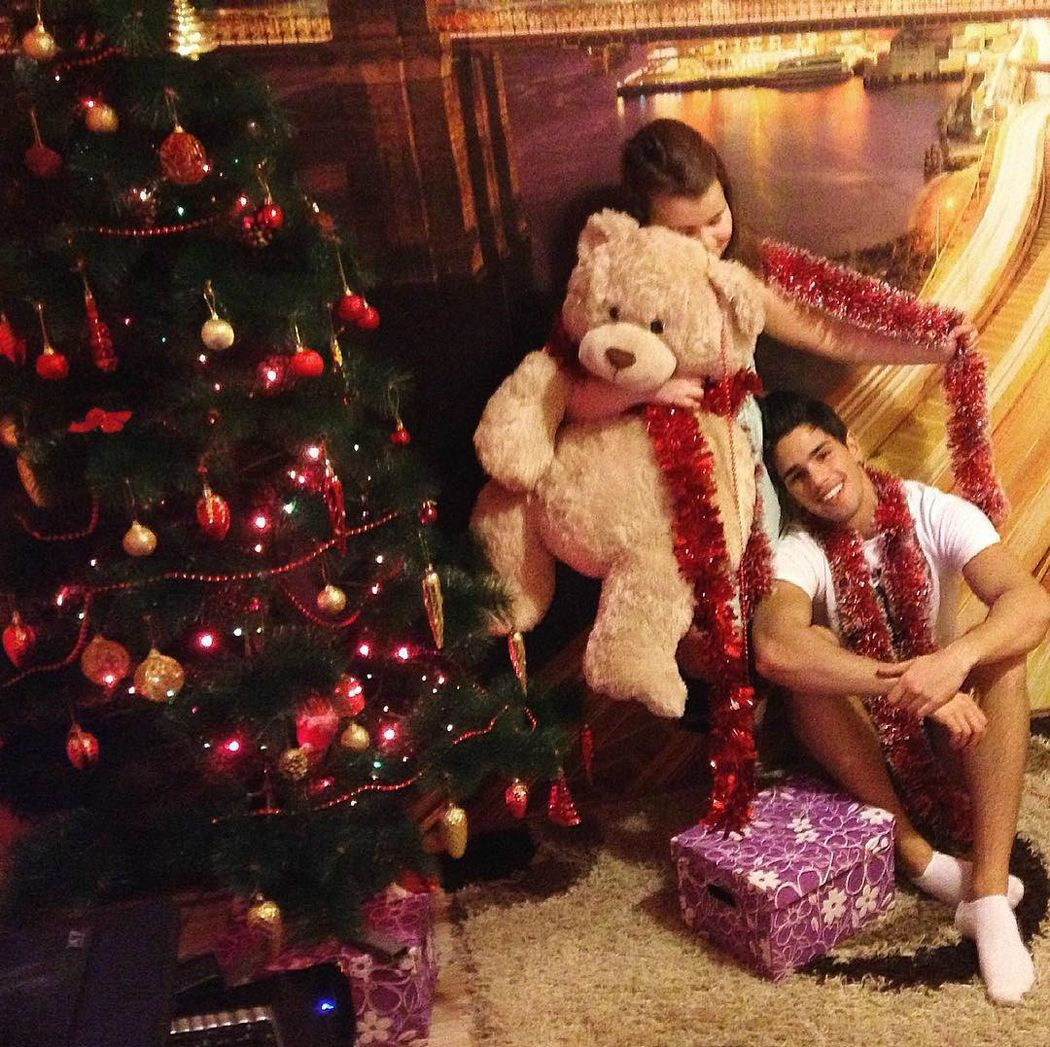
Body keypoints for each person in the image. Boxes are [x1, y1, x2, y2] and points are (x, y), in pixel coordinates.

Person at [752, 389, 1050, 1006]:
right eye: (797, 476)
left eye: (823, 454)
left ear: (853, 445)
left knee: (1004, 656)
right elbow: (775, 647)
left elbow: (1030, 604)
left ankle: (988, 893)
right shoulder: (799, 548)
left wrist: (953, 662)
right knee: (807, 663)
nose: (820, 481)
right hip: (858, 752)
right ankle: (917, 855)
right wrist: (906, 682)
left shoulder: (933, 510)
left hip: (949, 738)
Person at [566, 118, 978, 539]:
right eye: (683, 232)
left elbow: (828, 334)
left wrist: (932, 348)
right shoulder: (623, 290)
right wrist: (643, 392)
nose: (707, 241)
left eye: (716, 217)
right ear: (644, 226)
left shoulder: (743, 273)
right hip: (656, 483)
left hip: (742, 466)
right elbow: (570, 402)